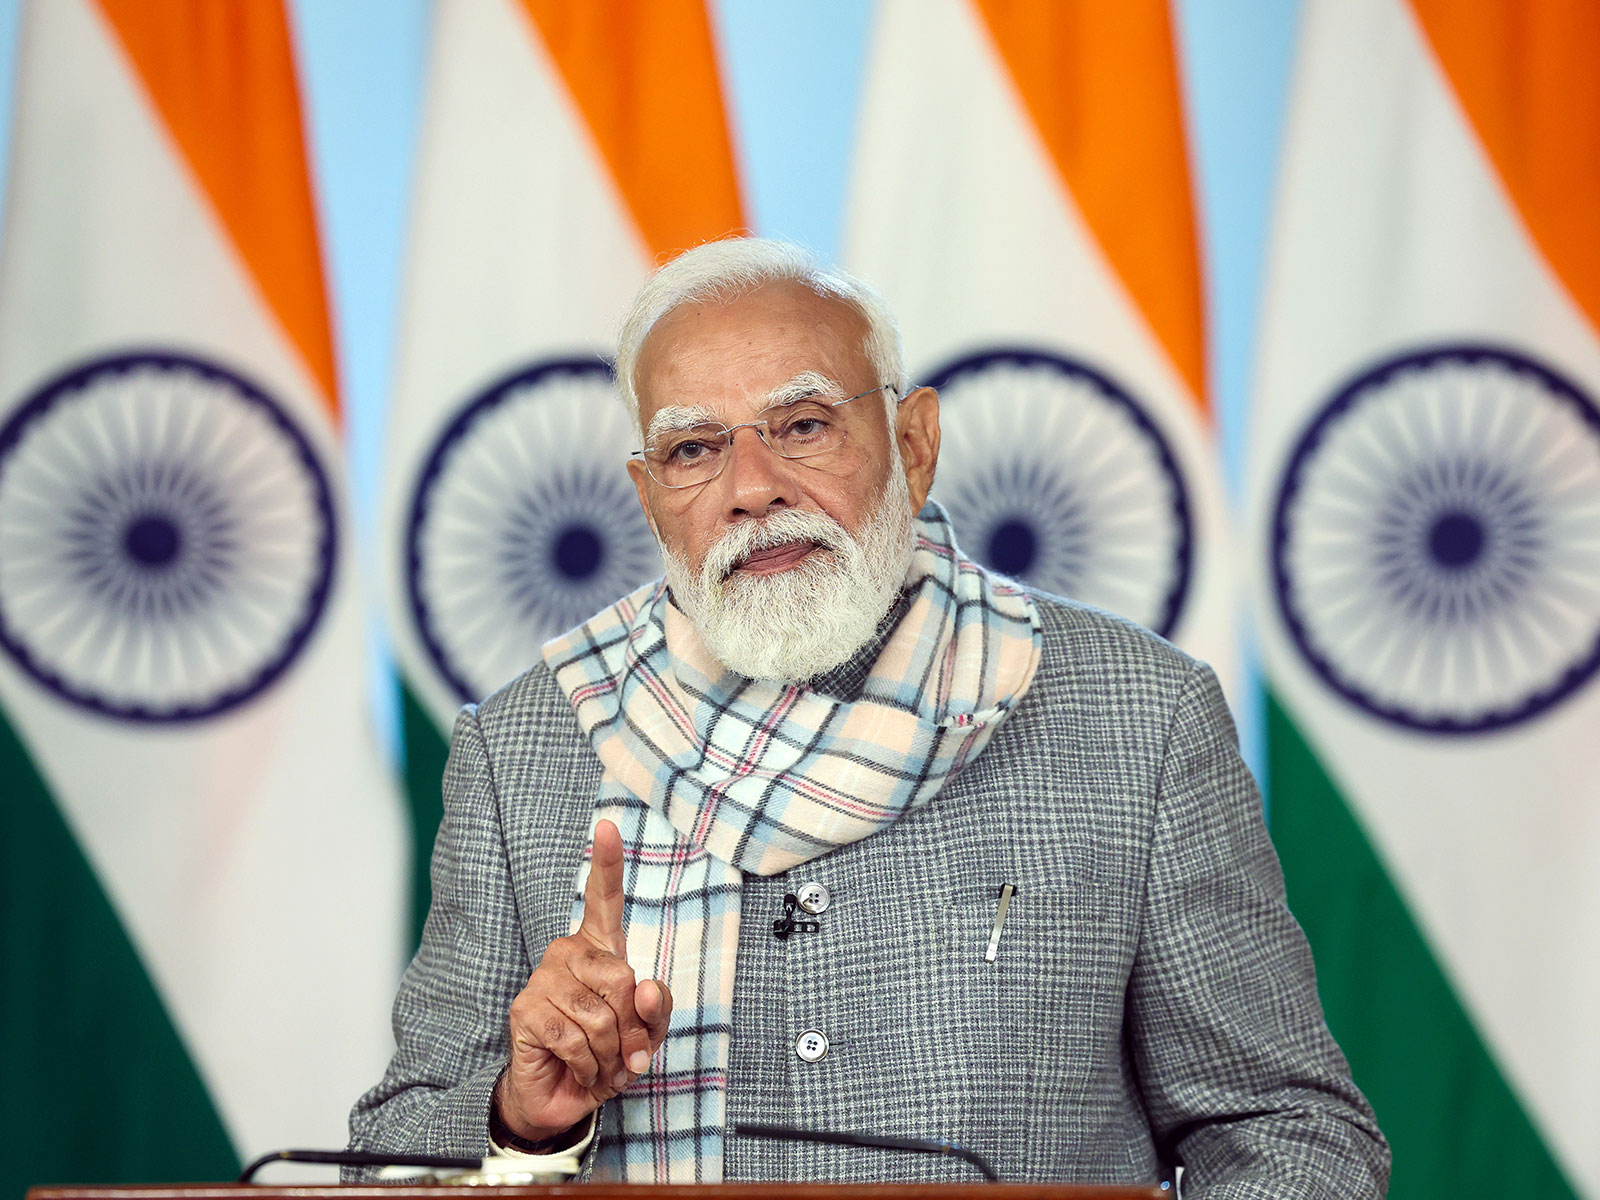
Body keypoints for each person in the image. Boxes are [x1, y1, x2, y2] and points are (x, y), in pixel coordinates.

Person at [350, 238, 1389, 1196]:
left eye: (802, 427)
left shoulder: (1136, 718)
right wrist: (522, 1123)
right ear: (648, 495)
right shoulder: (525, 747)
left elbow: (1287, 1129)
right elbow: (388, 1158)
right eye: (694, 449)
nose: (750, 489)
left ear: (913, 441)